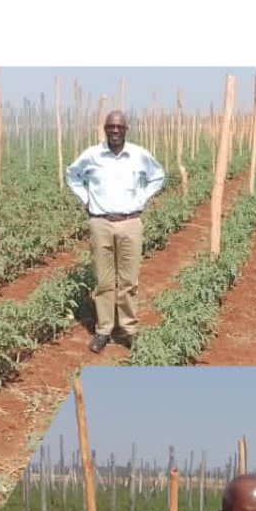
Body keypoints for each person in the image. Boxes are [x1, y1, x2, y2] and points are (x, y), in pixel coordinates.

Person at [66, 111, 165, 353]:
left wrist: (142, 198)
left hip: (131, 222)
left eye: (119, 127)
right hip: (101, 222)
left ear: (126, 128)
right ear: (105, 129)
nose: (115, 131)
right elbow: (72, 175)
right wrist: (86, 199)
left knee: (129, 281)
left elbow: (158, 176)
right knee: (104, 280)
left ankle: (129, 329)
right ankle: (104, 329)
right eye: (111, 127)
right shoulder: (92, 155)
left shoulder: (139, 155)